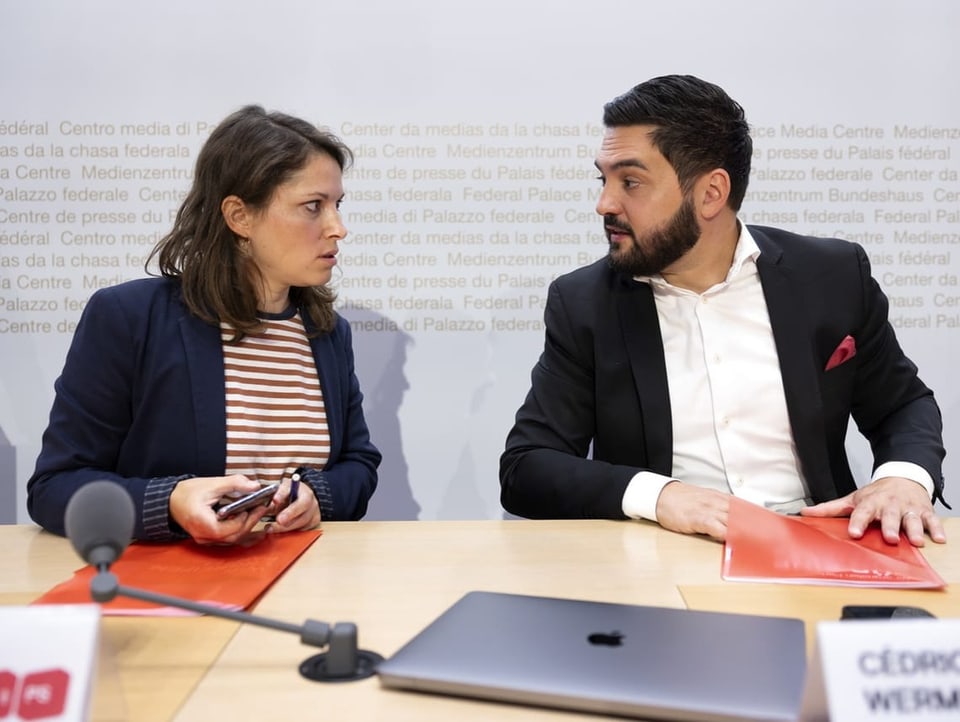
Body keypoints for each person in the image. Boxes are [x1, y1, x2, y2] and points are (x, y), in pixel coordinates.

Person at [500, 75, 947, 547]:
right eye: (603, 178)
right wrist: (661, 496)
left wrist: (903, 478)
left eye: (630, 181)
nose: (604, 203)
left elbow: (902, 404)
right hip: (666, 556)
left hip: (818, 546)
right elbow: (527, 466)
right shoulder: (585, 302)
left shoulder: (831, 276)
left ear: (711, 193)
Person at [28, 105, 381, 544]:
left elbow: (359, 464)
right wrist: (172, 500)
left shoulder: (327, 331)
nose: (338, 228)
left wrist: (315, 494)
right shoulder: (129, 317)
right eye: (313, 206)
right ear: (239, 217)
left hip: (306, 581)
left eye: (337, 205)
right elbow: (54, 488)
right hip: (175, 590)